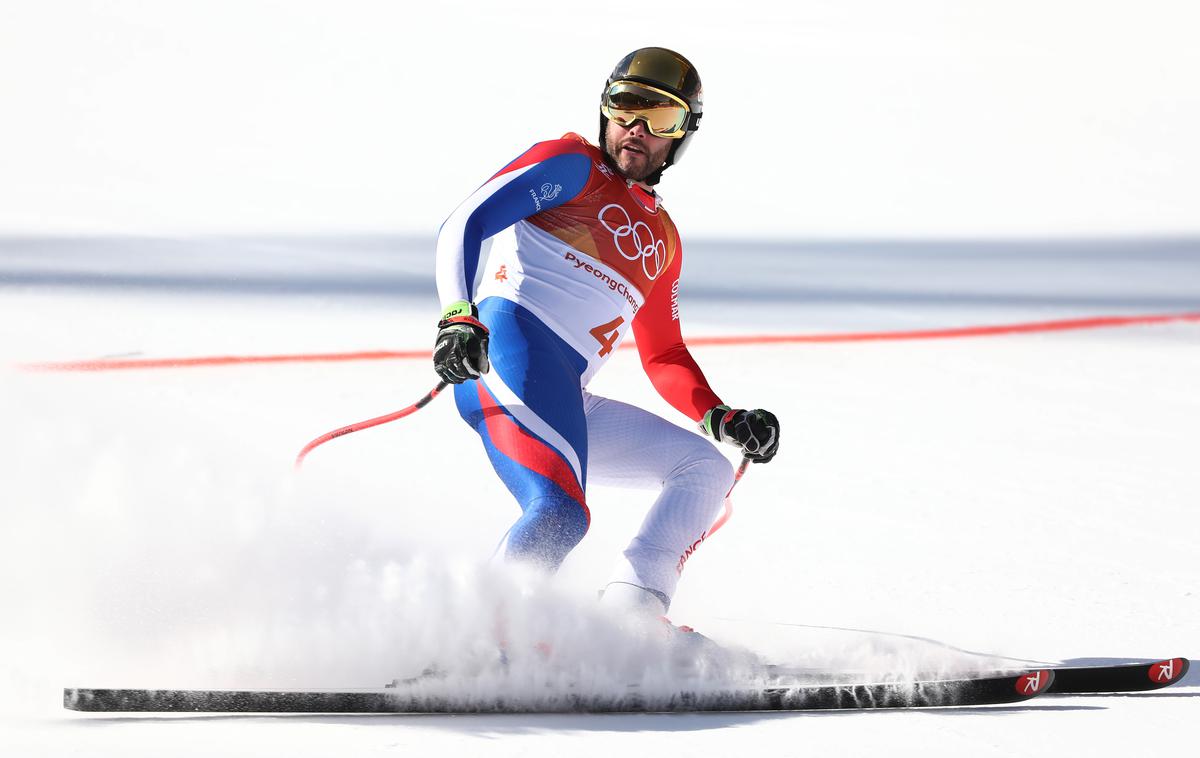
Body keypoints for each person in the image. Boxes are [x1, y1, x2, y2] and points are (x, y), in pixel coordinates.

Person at [432, 47, 780, 620]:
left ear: (682, 134)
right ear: (604, 110)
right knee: (559, 512)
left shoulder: (663, 239)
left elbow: (664, 352)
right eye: (624, 108)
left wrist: (721, 417)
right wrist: (457, 315)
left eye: (660, 118)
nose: (636, 130)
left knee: (705, 471)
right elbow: (466, 222)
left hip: (566, 392)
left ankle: (632, 616)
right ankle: (473, 645)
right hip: (507, 356)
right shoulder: (572, 165)